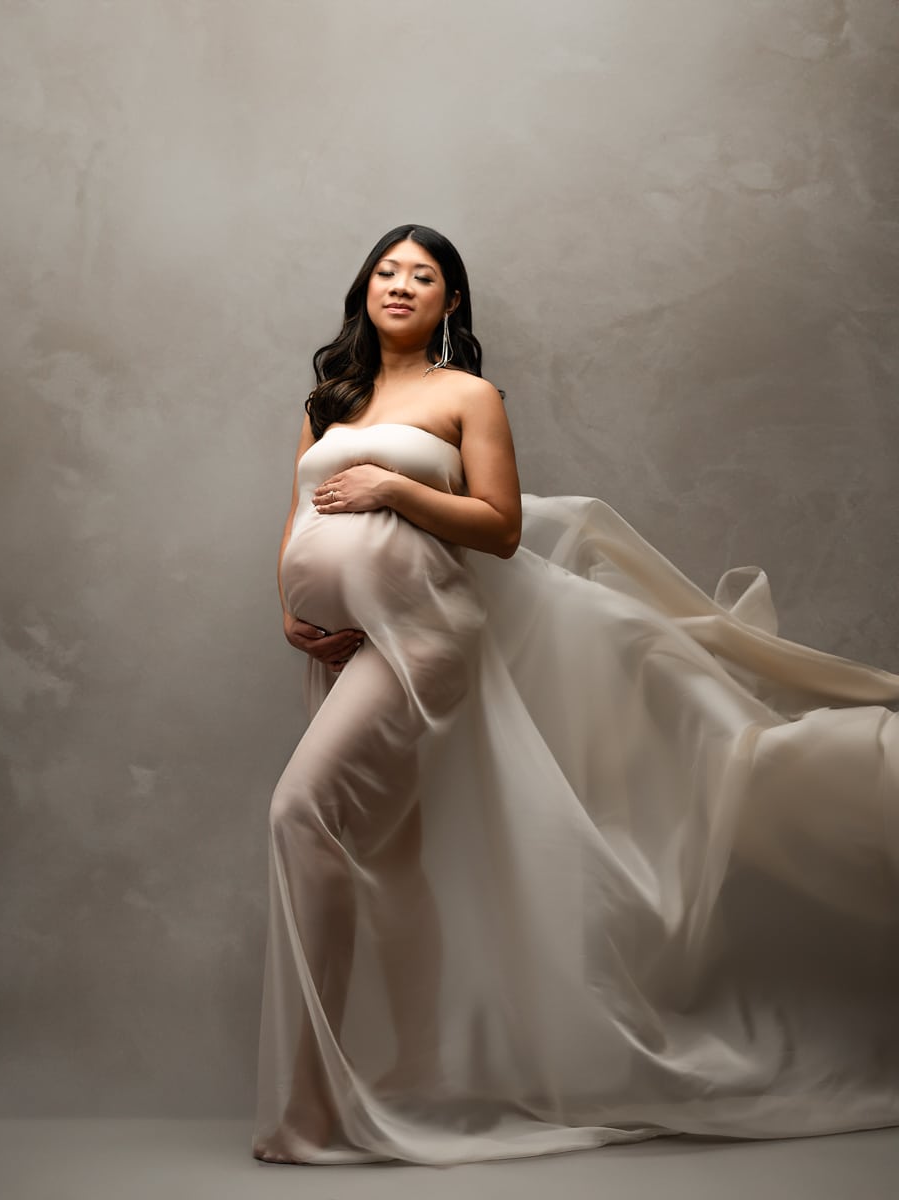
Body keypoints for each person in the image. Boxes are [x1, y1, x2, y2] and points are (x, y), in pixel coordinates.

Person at [254, 225, 899, 1166]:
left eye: (423, 276)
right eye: (387, 272)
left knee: (300, 813)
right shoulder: (328, 401)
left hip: (425, 638)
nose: (402, 286)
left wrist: (393, 486)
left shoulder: (467, 395)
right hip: (344, 649)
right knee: (386, 865)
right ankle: (382, 1081)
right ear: (364, 290)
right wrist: (289, 609)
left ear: (451, 303)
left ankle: (310, 1108)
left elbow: (500, 527)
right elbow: (298, 518)